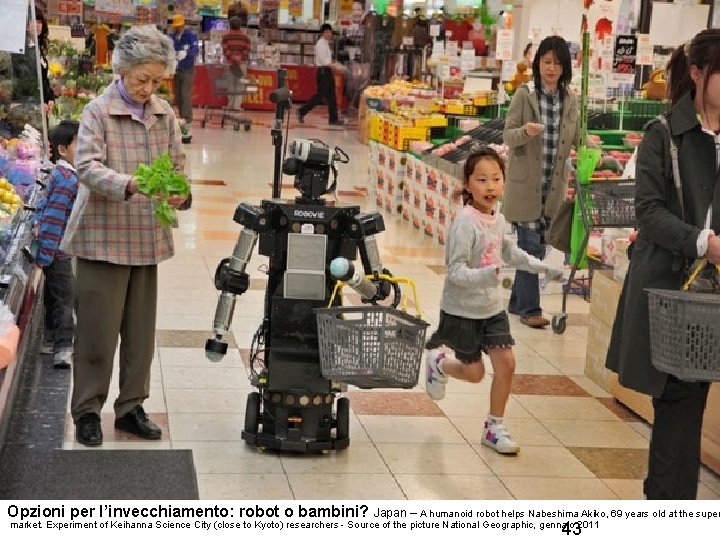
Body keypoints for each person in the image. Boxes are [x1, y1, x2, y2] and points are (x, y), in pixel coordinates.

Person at [62, 26, 190, 447]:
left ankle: (131, 406)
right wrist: (130, 184)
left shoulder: (164, 113)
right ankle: (86, 410)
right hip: (103, 236)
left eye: (156, 80)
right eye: (142, 79)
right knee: (97, 333)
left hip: (146, 239)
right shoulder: (98, 111)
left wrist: (181, 193)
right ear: (122, 69)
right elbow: (86, 167)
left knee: (139, 332)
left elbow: (178, 167)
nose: (148, 88)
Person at [606, 28, 720, 500]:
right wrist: (703, 242)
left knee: (688, 405)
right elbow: (649, 213)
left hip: (711, 296)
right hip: (671, 293)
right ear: (697, 74)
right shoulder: (663, 135)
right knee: (678, 402)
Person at [424, 147, 564, 455]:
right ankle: (440, 364)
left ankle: (494, 426)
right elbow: (455, 271)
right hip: (462, 311)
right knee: (474, 374)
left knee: (507, 364)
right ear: (468, 184)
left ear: (504, 183)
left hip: (491, 309)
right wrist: (490, 274)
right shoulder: (465, 224)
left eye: (496, 179)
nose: (490, 186)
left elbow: (511, 253)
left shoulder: (499, 219)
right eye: (482, 180)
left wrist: (544, 267)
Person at [502, 35, 578, 328]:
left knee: (537, 245)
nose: (551, 68)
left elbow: (575, 136)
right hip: (525, 186)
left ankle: (516, 303)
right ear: (538, 64)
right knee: (530, 246)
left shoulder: (570, 99)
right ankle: (530, 310)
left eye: (557, 63)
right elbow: (508, 135)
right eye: (546, 62)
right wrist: (526, 133)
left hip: (553, 186)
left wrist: (589, 145)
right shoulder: (525, 94)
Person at [35, 120, 80, 369]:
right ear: (63, 149)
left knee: (53, 297)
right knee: (64, 298)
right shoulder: (67, 180)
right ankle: (63, 347)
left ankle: (50, 340)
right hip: (59, 252)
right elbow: (54, 218)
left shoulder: (61, 173)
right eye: (79, 143)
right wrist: (47, 254)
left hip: (54, 250)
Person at [297, 23, 346, 126]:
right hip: (323, 72)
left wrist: (336, 64)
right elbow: (324, 62)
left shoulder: (326, 44)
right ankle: (302, 111)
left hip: (328, 71)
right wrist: (337, 66)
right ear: (322, 33)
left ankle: (333, 119)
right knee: (320, 96)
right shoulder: (320, 44)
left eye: (330, 32)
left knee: (332, 96)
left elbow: (328, 60)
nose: (329, 34)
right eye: (326, 32)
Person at [12, 7, 54, 111]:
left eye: (40, 21)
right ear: (25, 25)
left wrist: (49, 98)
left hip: (39, 107)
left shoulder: (37, 47)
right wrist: (36, 103)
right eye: (33, 21)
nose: (37, 25)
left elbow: (43, 78)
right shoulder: (21, 50)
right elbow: (24, 81)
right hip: (25, 107)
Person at [170, 14, 199, 135]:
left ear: (183, 24)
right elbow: (168, 49)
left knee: (185, 94)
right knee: (178, 95)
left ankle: (187, 119)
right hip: (176, 69)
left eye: (179, 26)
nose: (177, 28)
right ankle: (181, 116)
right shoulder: (172, 37)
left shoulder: (191, 36)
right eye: (176, 27)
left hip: (188, 68)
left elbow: (195, 50)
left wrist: (186, 53)